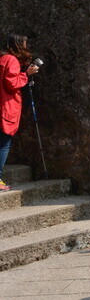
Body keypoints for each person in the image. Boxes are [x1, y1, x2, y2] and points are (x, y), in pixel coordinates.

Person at [0, 35, 39, 191]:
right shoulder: (11, 60)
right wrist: (26, 74)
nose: (26, 47)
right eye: (24, 44)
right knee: (4, 144)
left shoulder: (3, 59)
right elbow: (11, 83)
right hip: (6, 106)